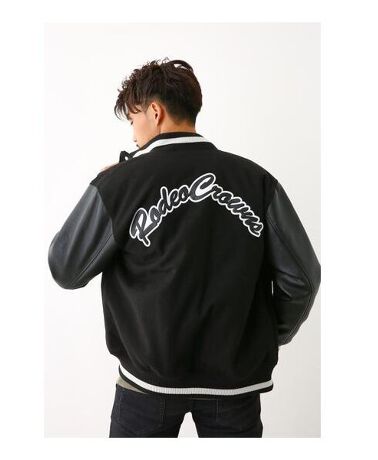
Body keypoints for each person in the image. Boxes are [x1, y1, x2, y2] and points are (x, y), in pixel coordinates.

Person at [48, 57, 321, 437]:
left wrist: (103, 184)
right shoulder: (257, 180)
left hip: (146, 383)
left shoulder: (120, 183)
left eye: (133, 119)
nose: (133, 135)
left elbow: (66, 268)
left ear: (154, 112)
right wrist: (263, 335)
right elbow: (302, 279)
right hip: (235, 384)